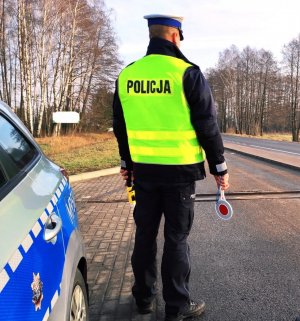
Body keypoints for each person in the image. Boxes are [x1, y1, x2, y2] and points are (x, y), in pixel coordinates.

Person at [112, 13, 230, 321]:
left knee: (145, 235)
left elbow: (120, 126)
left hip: (144, 173)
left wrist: (127, 164)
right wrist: (219, 167)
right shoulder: (187, 73)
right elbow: (207, 125)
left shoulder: (127, 75)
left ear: (151, 36)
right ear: (176, 36)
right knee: (176, 239)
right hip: (179, 174)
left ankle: (143, 300)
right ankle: (178, 307)